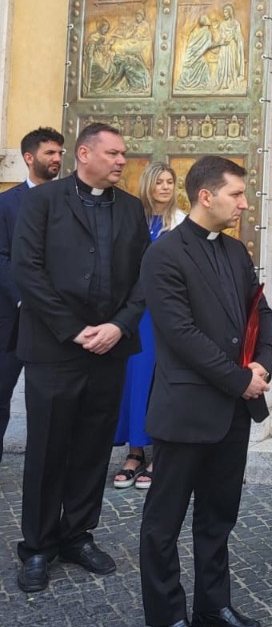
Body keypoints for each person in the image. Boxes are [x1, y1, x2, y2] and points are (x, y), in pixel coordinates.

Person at [139, 156, 272, 627]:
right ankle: (166, 618)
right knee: (163, 521)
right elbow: (181, 335)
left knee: (218, 517)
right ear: (205, 196)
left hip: (233, 411)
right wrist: (241, 379)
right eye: (236, 195)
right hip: (186, 408)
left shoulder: (237, 252)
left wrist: (262, 366)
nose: (243, 204)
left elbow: (260, 312)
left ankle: (212, 607)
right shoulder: (164, 255)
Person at [12, 123, 150, 593]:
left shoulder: (132, 209)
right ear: (84, 153)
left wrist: (118, 326)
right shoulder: (42, 202)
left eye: (124, 155)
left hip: (110, 349)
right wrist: (74, 330)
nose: (121, 162)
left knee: (93, 447)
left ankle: (78, 534)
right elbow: (26, 270)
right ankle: (37, 546)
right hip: (54, 348)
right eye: (113, 153)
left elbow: (143, 279)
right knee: (48, 448)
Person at [112, 163, 185, 491]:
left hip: (166, 312)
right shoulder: (132, 219)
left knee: (163, 380)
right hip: (136, 313)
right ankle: (135, 452)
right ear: (148, 185)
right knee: (136, 379)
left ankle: (160, 453)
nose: (166, 187)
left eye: (170, 181)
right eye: (160, 181)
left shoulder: (181, 222)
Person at [0, 128, 65, 465]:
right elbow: (2, 257)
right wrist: (26, 298)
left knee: (55, 403)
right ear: (29, 157)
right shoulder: (6, 204)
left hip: (58, 322)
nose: (56, 159)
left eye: (59, 153)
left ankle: (52, 470)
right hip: (12, 319)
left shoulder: (70, 201)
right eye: (49, 153)